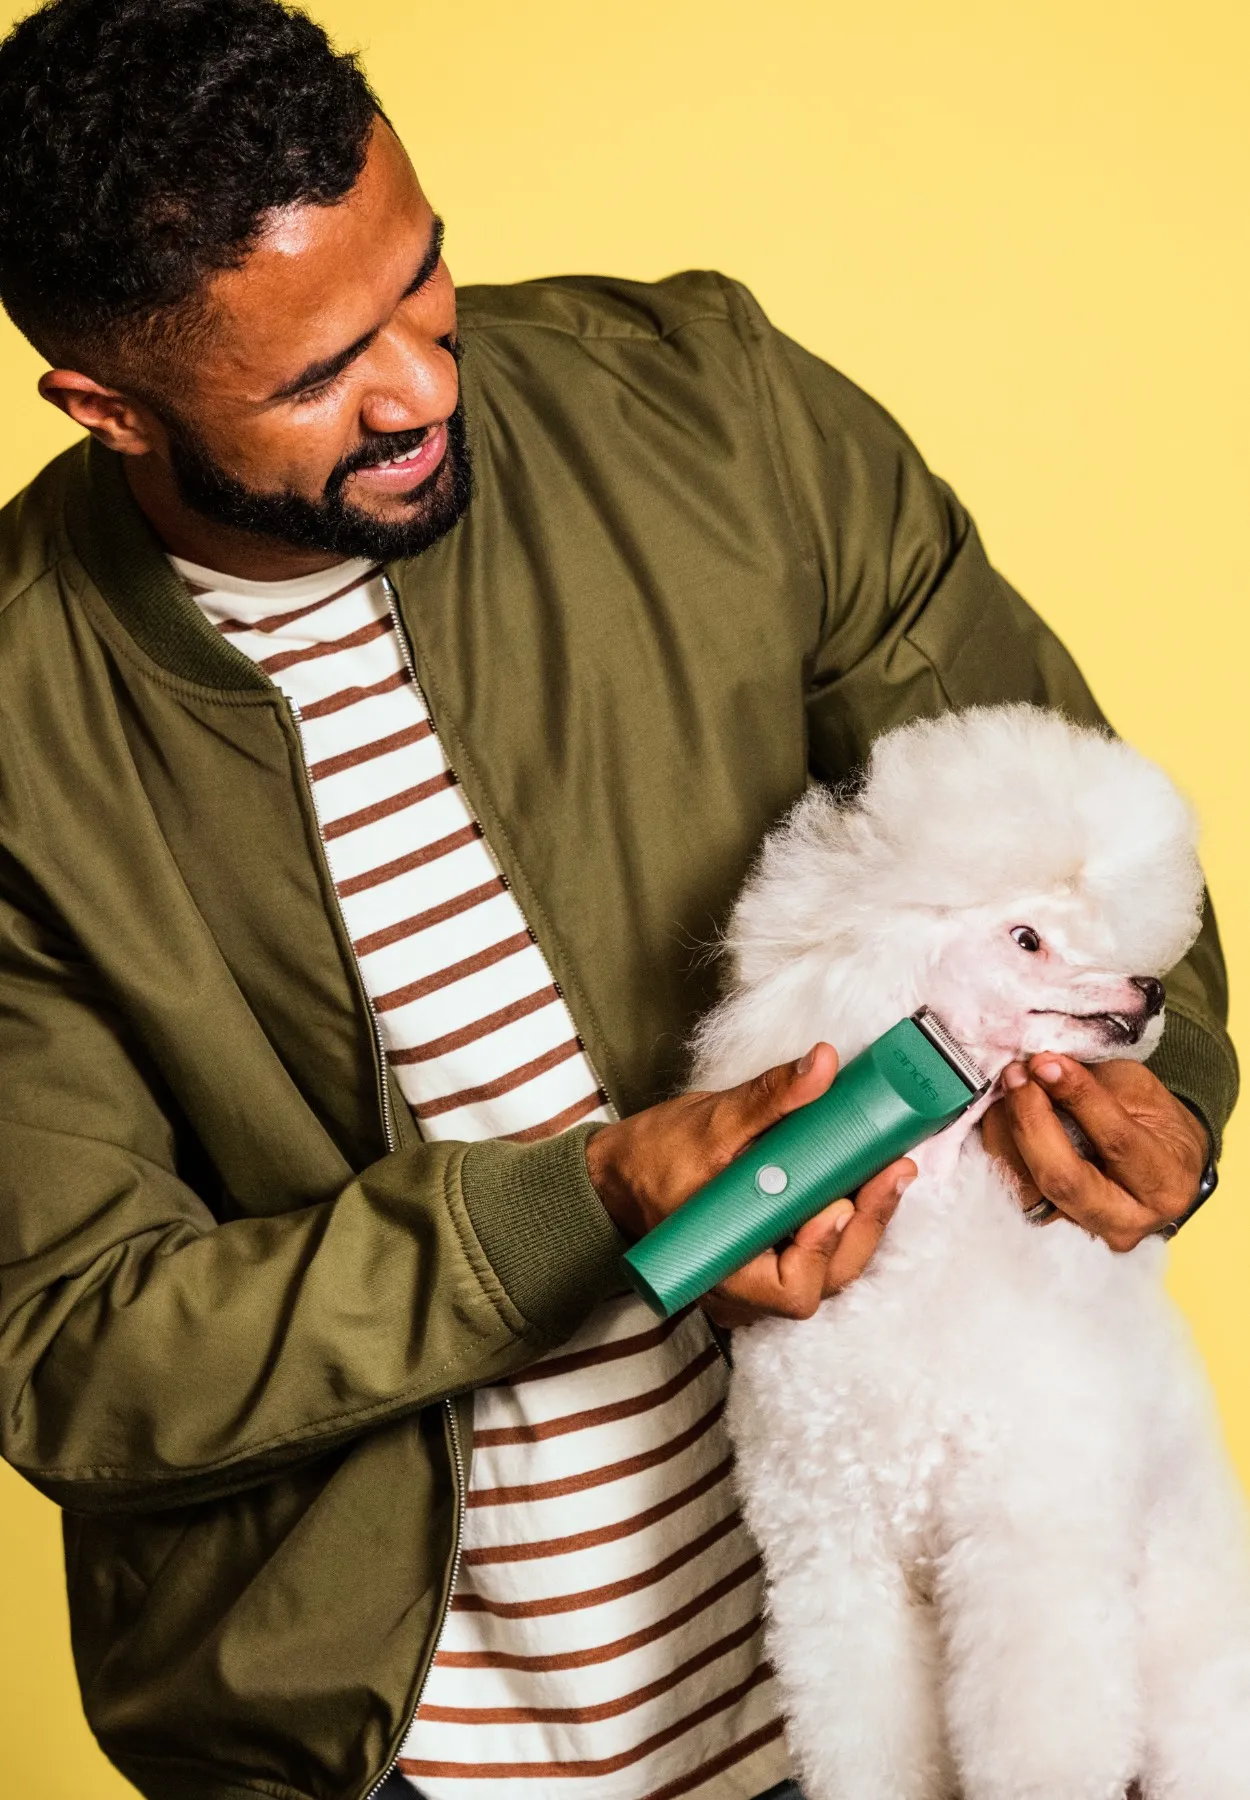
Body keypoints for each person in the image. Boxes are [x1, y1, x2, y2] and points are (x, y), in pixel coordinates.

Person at [0, 3, 1234, 1798]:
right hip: (430, 1750)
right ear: (107, 403)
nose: (422, 382)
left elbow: (1064, 842)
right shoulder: (26, 735)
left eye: (421, 282)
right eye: (312, 378)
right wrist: (575, 1206)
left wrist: (1162, 1087)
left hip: (925, 1661)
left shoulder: (710, 408)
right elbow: (79, 1352)